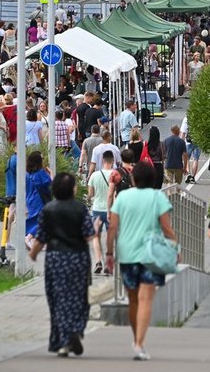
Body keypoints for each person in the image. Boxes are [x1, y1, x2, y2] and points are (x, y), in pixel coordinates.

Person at [106, 162, 177, 361]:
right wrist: (174, 247)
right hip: (150, 253)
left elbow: (112, 227)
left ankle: (136, 339)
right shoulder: (157, 197)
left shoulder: (124, 197)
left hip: (127, 253)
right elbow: (166, 227)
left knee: (133, 300)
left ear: (134, 178)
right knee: (146, 299)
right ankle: (139, 343)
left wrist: (109, 253)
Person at [28, 172, 96, 358]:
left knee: (57, 298)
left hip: (55, 258)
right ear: (73, 189)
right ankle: (75, 329)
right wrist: (96, 227)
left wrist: (33, 254)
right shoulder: (80, 209)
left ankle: (63, 340)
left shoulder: (48, 209)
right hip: (78, 257)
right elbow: (89, 235)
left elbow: (40, 238)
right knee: (80, 296)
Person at [87, 149, 115, 274]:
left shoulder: (94, 175)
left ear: (102, 160)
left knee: (96, 236)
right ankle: (109, 264)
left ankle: (98, 260)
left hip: (97, 209)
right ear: (112, 161)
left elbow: (90, 194)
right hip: (111, 210)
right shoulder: (115, 175)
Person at [25, 151, 54, 249]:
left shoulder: (28, 174)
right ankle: (29, 237)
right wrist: (51, 174)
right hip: (39, 200)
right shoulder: (41, 173)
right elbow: (50, 184)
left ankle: (35, 240)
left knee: (33, 220)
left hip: (30, 199)